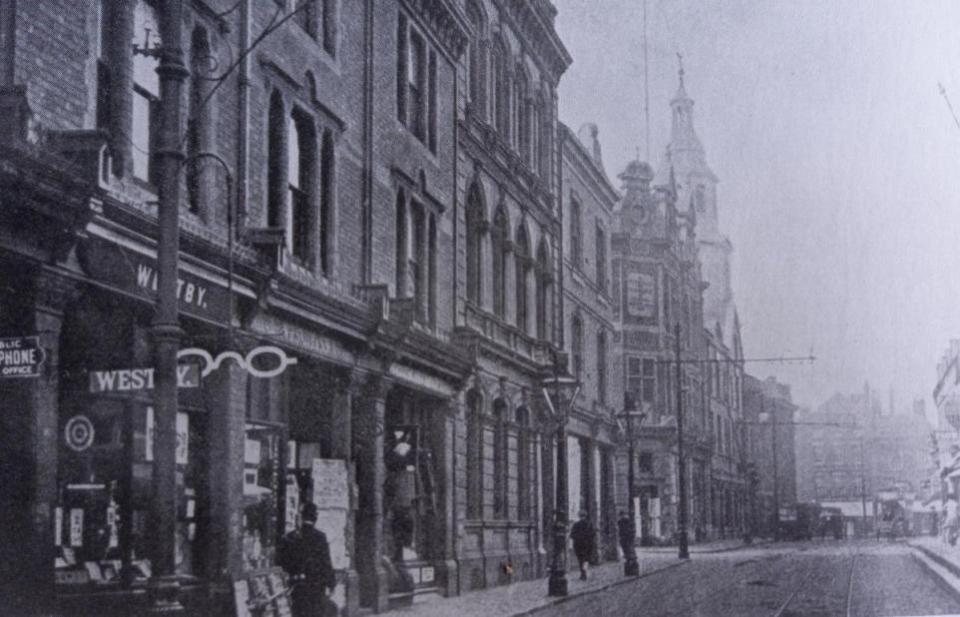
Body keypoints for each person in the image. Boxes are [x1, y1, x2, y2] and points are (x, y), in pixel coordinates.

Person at [278, 502, 338, 617]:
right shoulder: (320, 537)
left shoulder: (290, 537)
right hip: (316, 588)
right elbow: (326, 562)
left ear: (301, 516)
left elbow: (281, 562)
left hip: (296, 587)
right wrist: (331, 583)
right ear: (315, 516)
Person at [570, 510, 596, 581]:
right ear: (585, 516)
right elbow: (593, 534)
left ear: (579, 516)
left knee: (580, 559)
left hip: (578, 545)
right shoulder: (589, 524)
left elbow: (572, 535)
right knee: (586, 559)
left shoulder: (576, 525)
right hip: (588, 545)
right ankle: (584, 572)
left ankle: (583, 573)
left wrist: (578, 538)